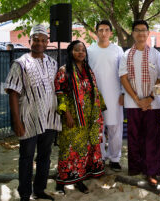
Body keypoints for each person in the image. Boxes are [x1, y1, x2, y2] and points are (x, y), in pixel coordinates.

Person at [5, 24, 61, 201]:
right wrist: (17, 122)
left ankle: (39, 189)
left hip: (50, 119)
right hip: (29, 119)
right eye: (36, 39)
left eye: (43, 40)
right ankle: (24, 194)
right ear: (29, 41)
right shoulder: (20, 64)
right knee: (26, 158)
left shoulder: (53, 63)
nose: (39, 43)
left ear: (47, 43)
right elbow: (13, 93)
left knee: (45, 157)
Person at [54, 40, 106, 194]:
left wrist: (98, 112)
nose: (81, 52)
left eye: (83, 50)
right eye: (77, 50)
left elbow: (95, 91)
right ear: (70, 52)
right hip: (72, 118)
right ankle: (61, 181)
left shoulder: (88, 71)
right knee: (67, 150)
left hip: (88, 118)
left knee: (83, 149)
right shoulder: (64, 70)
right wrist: (67, 114)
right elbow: (60, 93)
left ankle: (79, 180)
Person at [119, 20, 160, 186]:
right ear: (132, 33)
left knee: (152, 138)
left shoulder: (156, 55)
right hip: (133, 103)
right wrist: (138, 100)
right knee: (134, 137)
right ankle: (135, 168)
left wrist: (149, 98)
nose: (140, 33)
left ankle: (151, 172)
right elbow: (123, 77)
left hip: (153, 103)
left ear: (148, 33)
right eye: (137, 30)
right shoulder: (126, 55)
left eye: (143, 30)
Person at [87, 20, 124, 171]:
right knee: (98, 129)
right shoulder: (89, 50)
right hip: (95, 96)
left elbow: (123, 73)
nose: (103, 33)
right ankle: (100, 157)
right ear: (96, 32)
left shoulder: (118, 50)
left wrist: (122, 92)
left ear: (111, 33)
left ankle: (114, 158)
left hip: (115, 96)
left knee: (115, 128)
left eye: (106, 30)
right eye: (100, 30)